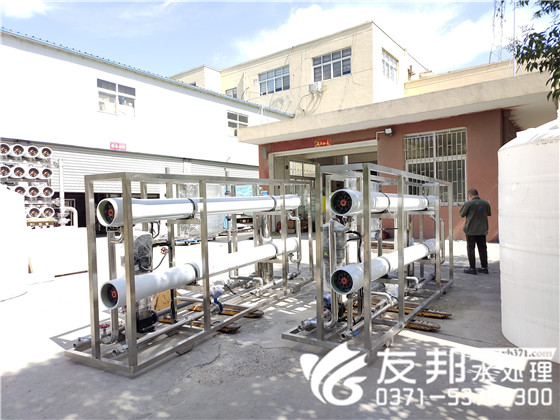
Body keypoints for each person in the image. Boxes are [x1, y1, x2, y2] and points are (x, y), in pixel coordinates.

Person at [460, 188, 491, 275]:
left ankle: (472, 268)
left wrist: (467, 203)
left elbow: (461, 214)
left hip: (471, 230)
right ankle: (484, 268)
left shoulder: (468, 204)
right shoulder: (485, 203)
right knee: (483, 249)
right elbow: (488, 213)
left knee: (471, 250)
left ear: (470, 196)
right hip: (482, 230)